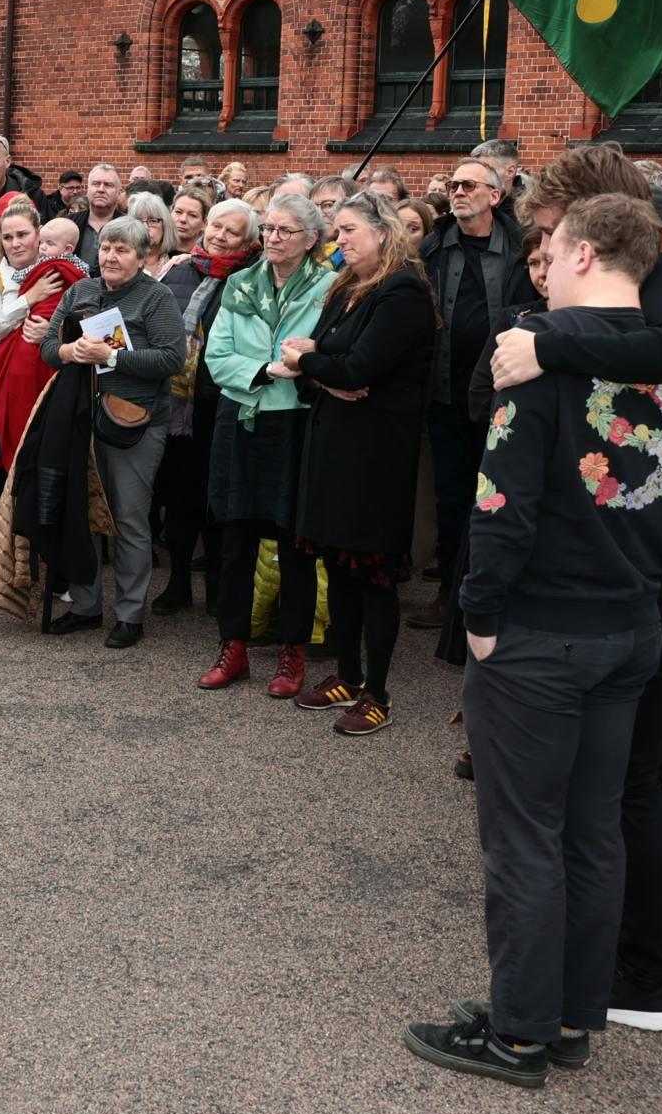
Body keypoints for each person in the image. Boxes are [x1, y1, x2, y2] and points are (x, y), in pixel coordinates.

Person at [403, 193, 662, 1088]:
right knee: (592, 831)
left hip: (541, 632)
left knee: (525, 837)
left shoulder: (537, 357)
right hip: (630, 620)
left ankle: (520, 1033)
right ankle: (564, 1015)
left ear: (585, 254)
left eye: (554, 250)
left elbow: (501, 506)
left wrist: (479, 619)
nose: (546, 267)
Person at [488, 145, 662, 1033]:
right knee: (615, 795)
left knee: (628, 791)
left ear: (590, 231)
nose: (541, 257)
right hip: (640, 577)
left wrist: (550, 342)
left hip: (645, 578)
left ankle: (640, 974)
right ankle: (604, 980)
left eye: (549, 235)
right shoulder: (635, 305)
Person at [280, 192, 438, 735]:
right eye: (338, 230)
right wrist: (322, 369)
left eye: (348, 230)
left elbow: (357, 367)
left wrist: (313, 362)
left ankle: (377, 693)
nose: (339, 239)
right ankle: (347, 676)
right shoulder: (347, 287)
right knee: (339, 567)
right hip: (333, 443)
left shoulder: (403, 292)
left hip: (375, 454)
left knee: (373, 576)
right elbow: (332, 364)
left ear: (382, 232)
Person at [31, 216, 187, 648]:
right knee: (80, 512)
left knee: (129, 518)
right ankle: (86, 607)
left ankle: (130, 615)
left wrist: (112, 356)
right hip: (80, 418)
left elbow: (172, 358)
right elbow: (48, 348)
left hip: (134, 422)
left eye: (122, 249)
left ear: (141, 256)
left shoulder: (156, 297)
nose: (112, 256)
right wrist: (71, 350)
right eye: (105, 248)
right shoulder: (81, 290)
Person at [198, 194, 330, 696]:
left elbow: (330, 352)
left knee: (295, 545)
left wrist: (309, 359)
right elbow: (217, 355)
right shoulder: (241, 283)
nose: (273, 238)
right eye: (269, 229)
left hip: (296, 422)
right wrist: (269, 368)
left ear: (311, 239)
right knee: (235, 541)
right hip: (241, 420)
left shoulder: (328, 288)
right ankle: (233, 647)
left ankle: (292, 654)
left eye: (285, 231)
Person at [414, 158, 529, 629]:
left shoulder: (520, 247)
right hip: (446, 393)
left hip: (502, 394)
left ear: (495, 196)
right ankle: (449, 592)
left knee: (499, 496)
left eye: (469, 185)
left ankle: (492, 593)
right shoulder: (434, 244)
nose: (458, 192)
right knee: (452, 495)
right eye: (453, 185)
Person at [151, 197, 256, 614]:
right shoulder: (177, 271)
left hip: (223, 406)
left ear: (247, 241)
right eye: (216, 226)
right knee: (180, 501)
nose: (220, 236)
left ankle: (218, 588)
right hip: (178, 408)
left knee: (218, 504)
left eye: (232, 232)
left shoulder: (253, 279)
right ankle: (177, 584)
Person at [0, 203, 86, 508]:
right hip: (4, 390)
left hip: (51, 390)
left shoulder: (61, 270)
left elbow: (87, 318)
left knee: (47, 475)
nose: (15, 243)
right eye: (8, 237)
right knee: (7, 481)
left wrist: (55, 330)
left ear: (39, 234)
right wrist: (28, 300)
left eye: (22, 234)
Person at [80, 164, 125, 247]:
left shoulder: (130, 228)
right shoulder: (70, 223)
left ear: (119, 193)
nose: (101, 189)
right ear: (87, 189)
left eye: (108, 185)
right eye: (96, 184)